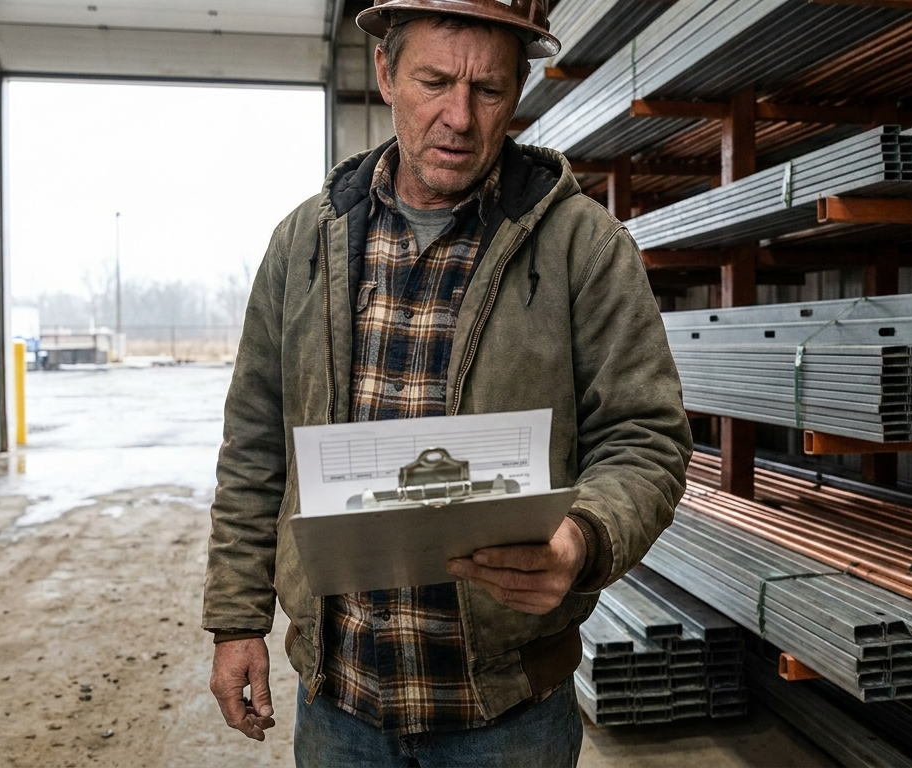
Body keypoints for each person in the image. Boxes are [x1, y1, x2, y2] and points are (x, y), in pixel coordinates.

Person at [203, 1, 692, 765]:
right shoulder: (305, 244)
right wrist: (237, 620)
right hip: (342, 700)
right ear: (386, 72)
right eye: (434, 82)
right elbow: (256, 446)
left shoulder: (583, 247)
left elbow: (646, 436)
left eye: (488, 90)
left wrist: (581, 536)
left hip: (506, 710)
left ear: (517, 93)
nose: (459, 117)